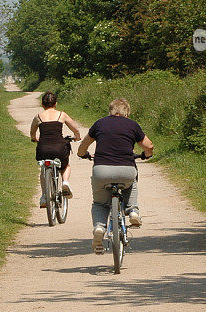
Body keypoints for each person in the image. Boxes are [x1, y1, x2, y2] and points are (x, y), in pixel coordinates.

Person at [77, 97, 153, 253]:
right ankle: (132, 211)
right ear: (127, 112)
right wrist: (146, 155)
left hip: (101, 171)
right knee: (131, 182)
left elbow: (83, 145)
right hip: (126, 170)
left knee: (100, 203)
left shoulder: (99, 123)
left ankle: (99, 228)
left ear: (110, 110)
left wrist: (83, 154)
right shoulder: (132, 125)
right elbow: (149, 145)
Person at [30, 91, 81, 207]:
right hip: (59, 147)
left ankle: (44, 196)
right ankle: (65, 182)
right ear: (56, 104)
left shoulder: (38, 117)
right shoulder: (61, 115)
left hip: (43, 148)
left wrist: (35, 139)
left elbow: (32, 133)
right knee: (65, 165)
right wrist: (77, 137)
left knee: (44, 168)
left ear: (42, 104)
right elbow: (76, 129)